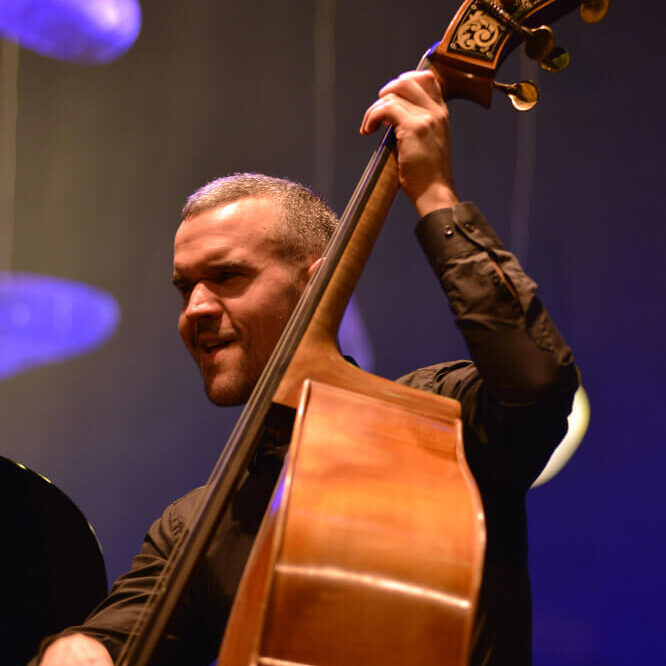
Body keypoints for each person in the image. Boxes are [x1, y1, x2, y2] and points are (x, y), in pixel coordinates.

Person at [32, 70, 578, 666]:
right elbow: (116, 641)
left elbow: (538, 385)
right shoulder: (194, 526)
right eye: (185, 288)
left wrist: (434, 195)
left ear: (317, 284)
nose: (195, 310)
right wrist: (78, 646)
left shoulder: (437, 429)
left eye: (227, 277)